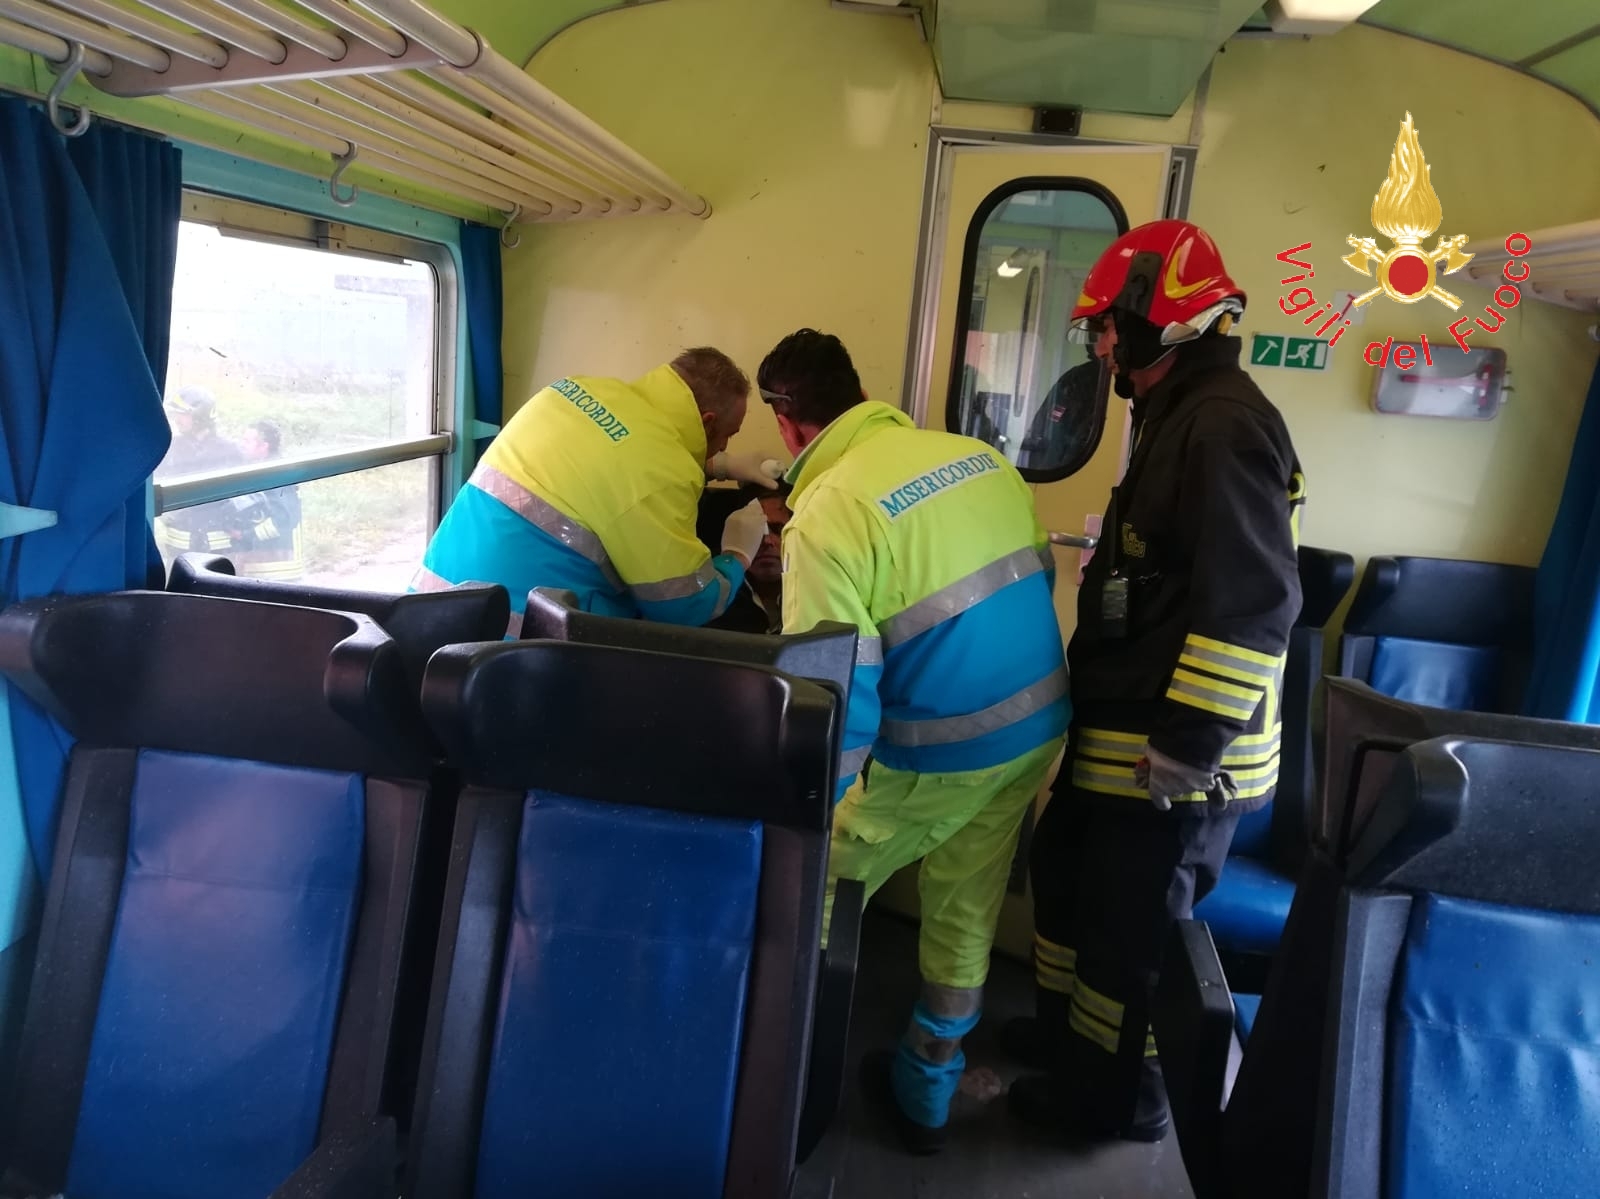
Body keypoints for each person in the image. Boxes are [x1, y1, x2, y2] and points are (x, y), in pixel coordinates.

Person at [1003, 219, 1306, 1144]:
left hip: (1175, 762)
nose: (1098, 344)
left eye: (1106, 326)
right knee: (1062, 884)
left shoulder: (1221, 425)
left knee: (1126, 942)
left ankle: (1114, 1099)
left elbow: (1254, 604)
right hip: (1125, 741)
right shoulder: (1175, 414)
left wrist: (1186, 745)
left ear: (1158, 322)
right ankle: (1066, 1045)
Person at [759, 328, 1069, 1154]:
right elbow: (1038, 573)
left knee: (802, 879)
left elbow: (837, 696)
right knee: (965, 906)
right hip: (1034, 730)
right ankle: (927, 1089)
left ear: (789, 426)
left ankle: (781, 1080)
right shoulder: (979, 456)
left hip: (938, 755)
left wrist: (808, 803)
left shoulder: (827, 512)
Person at [410, 348, 783, 633]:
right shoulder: (664, 471)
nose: (723, 448)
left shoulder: (573, 390)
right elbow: (682, 606)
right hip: (505, 645)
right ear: (707, 422)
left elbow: (612, 467)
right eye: (726, 438)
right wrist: (736, 554)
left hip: (428, 612)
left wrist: (716, 467)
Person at [154, 386, 248, 561]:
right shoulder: (171, 448)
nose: (177, 419)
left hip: (219, 548)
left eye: (182, 414)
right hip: (180, 548)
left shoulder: (229, 451)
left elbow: (242, 497)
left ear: (200, 416)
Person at [694, 482, 790, 634]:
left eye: (778, 530)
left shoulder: (817, 594)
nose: (766, 541)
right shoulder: (707, 593)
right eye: (755, 531)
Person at [229, 419, 305, 581]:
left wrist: (244, 535)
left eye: (247, 441)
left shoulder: (277, 474)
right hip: (264, 565)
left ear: (264, 446)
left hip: (279, 569)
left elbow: (283, 520)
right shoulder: (260, 470)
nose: (241, 444)